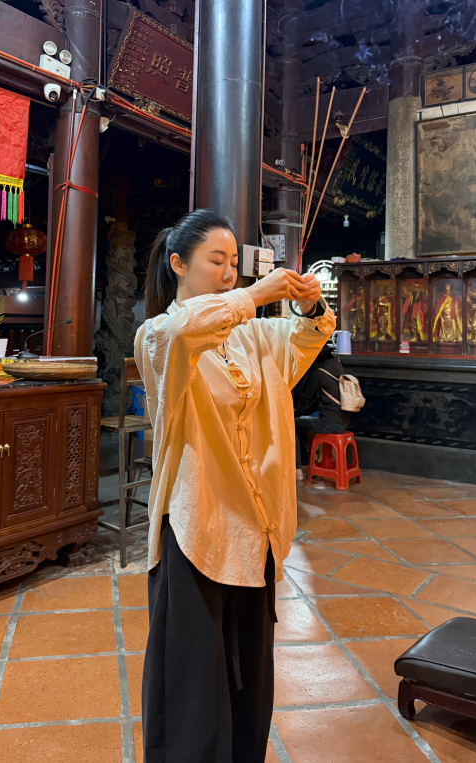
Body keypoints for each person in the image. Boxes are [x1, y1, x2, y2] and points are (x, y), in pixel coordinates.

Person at [135, 208, 335, 763]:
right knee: (193, 677)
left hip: (254, 527)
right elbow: (185, 329)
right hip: (197, 525)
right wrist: (253, 295)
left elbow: (309, 335)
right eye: (215, 261)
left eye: (233, 263)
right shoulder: (158, 337)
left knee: (250, 671)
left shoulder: (253, 336)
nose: (228, 273)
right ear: (178, 264)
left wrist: (309, 304)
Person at [293, 343, 350, 481]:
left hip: (328, 423)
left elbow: (306, 398)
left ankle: (297, 469)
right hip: (344, 422)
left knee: (293, 425)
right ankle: (310, 462)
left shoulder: (319, 373)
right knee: (307, 421)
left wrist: (295, 412)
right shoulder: (338, 366)